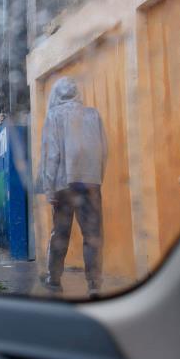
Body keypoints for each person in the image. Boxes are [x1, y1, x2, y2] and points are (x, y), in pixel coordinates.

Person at [39, 77, 108, 296]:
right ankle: (94, 284)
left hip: (63, 183)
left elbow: (52, 155)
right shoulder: (93, 115)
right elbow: (103, 151)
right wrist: (97, 179)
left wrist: (49, 188)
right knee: (93, 235)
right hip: (91, 182)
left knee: (60, 233)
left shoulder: (54, 116)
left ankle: (54, 280)